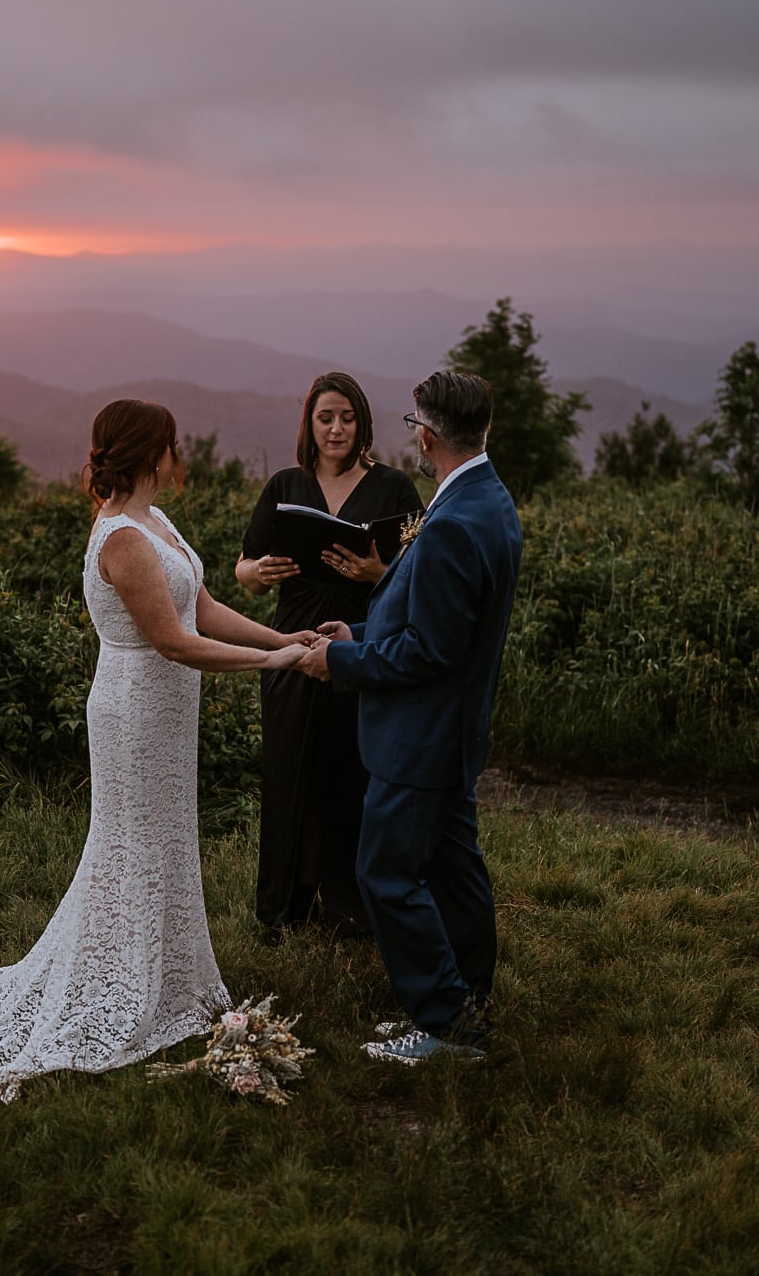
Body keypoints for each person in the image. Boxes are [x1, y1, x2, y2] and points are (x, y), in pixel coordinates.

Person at [0, 399, 313, 1108]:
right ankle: (121, 983)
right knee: (130, 840)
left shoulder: (156, 519)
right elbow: (173, 640)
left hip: (168, 709)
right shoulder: (123, 538)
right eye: (170, 442)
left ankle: (161, 975)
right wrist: (278, 663)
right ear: (148, 452)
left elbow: (206, 608)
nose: (178, 451)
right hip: (134, 707)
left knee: (163, 837)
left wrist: (288, 637)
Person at [298, 370, 522, 1064]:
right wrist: (359, 634)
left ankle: (447, 1022)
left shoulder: (454, 522)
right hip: (451, 730)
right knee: (455, 870)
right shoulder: (489, 498)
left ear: (425, 436)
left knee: (386, 874)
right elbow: (436, 625)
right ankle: (472, 999)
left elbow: (428, 652)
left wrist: (341, 664)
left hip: (419, 736)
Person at [236, 372, 423, 939]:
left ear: (361, 423)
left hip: (361, 641)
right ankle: (283, 908)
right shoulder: (284, 486)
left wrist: (377, 572)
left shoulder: (393, 488)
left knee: (353, 772)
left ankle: (351, 909)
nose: (336, 428)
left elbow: (421, 574)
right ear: (310, 426)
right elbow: (243, 569)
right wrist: (258, 573)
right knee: (290, 770)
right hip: (289, 643)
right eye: (325, 418)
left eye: (345, 417)